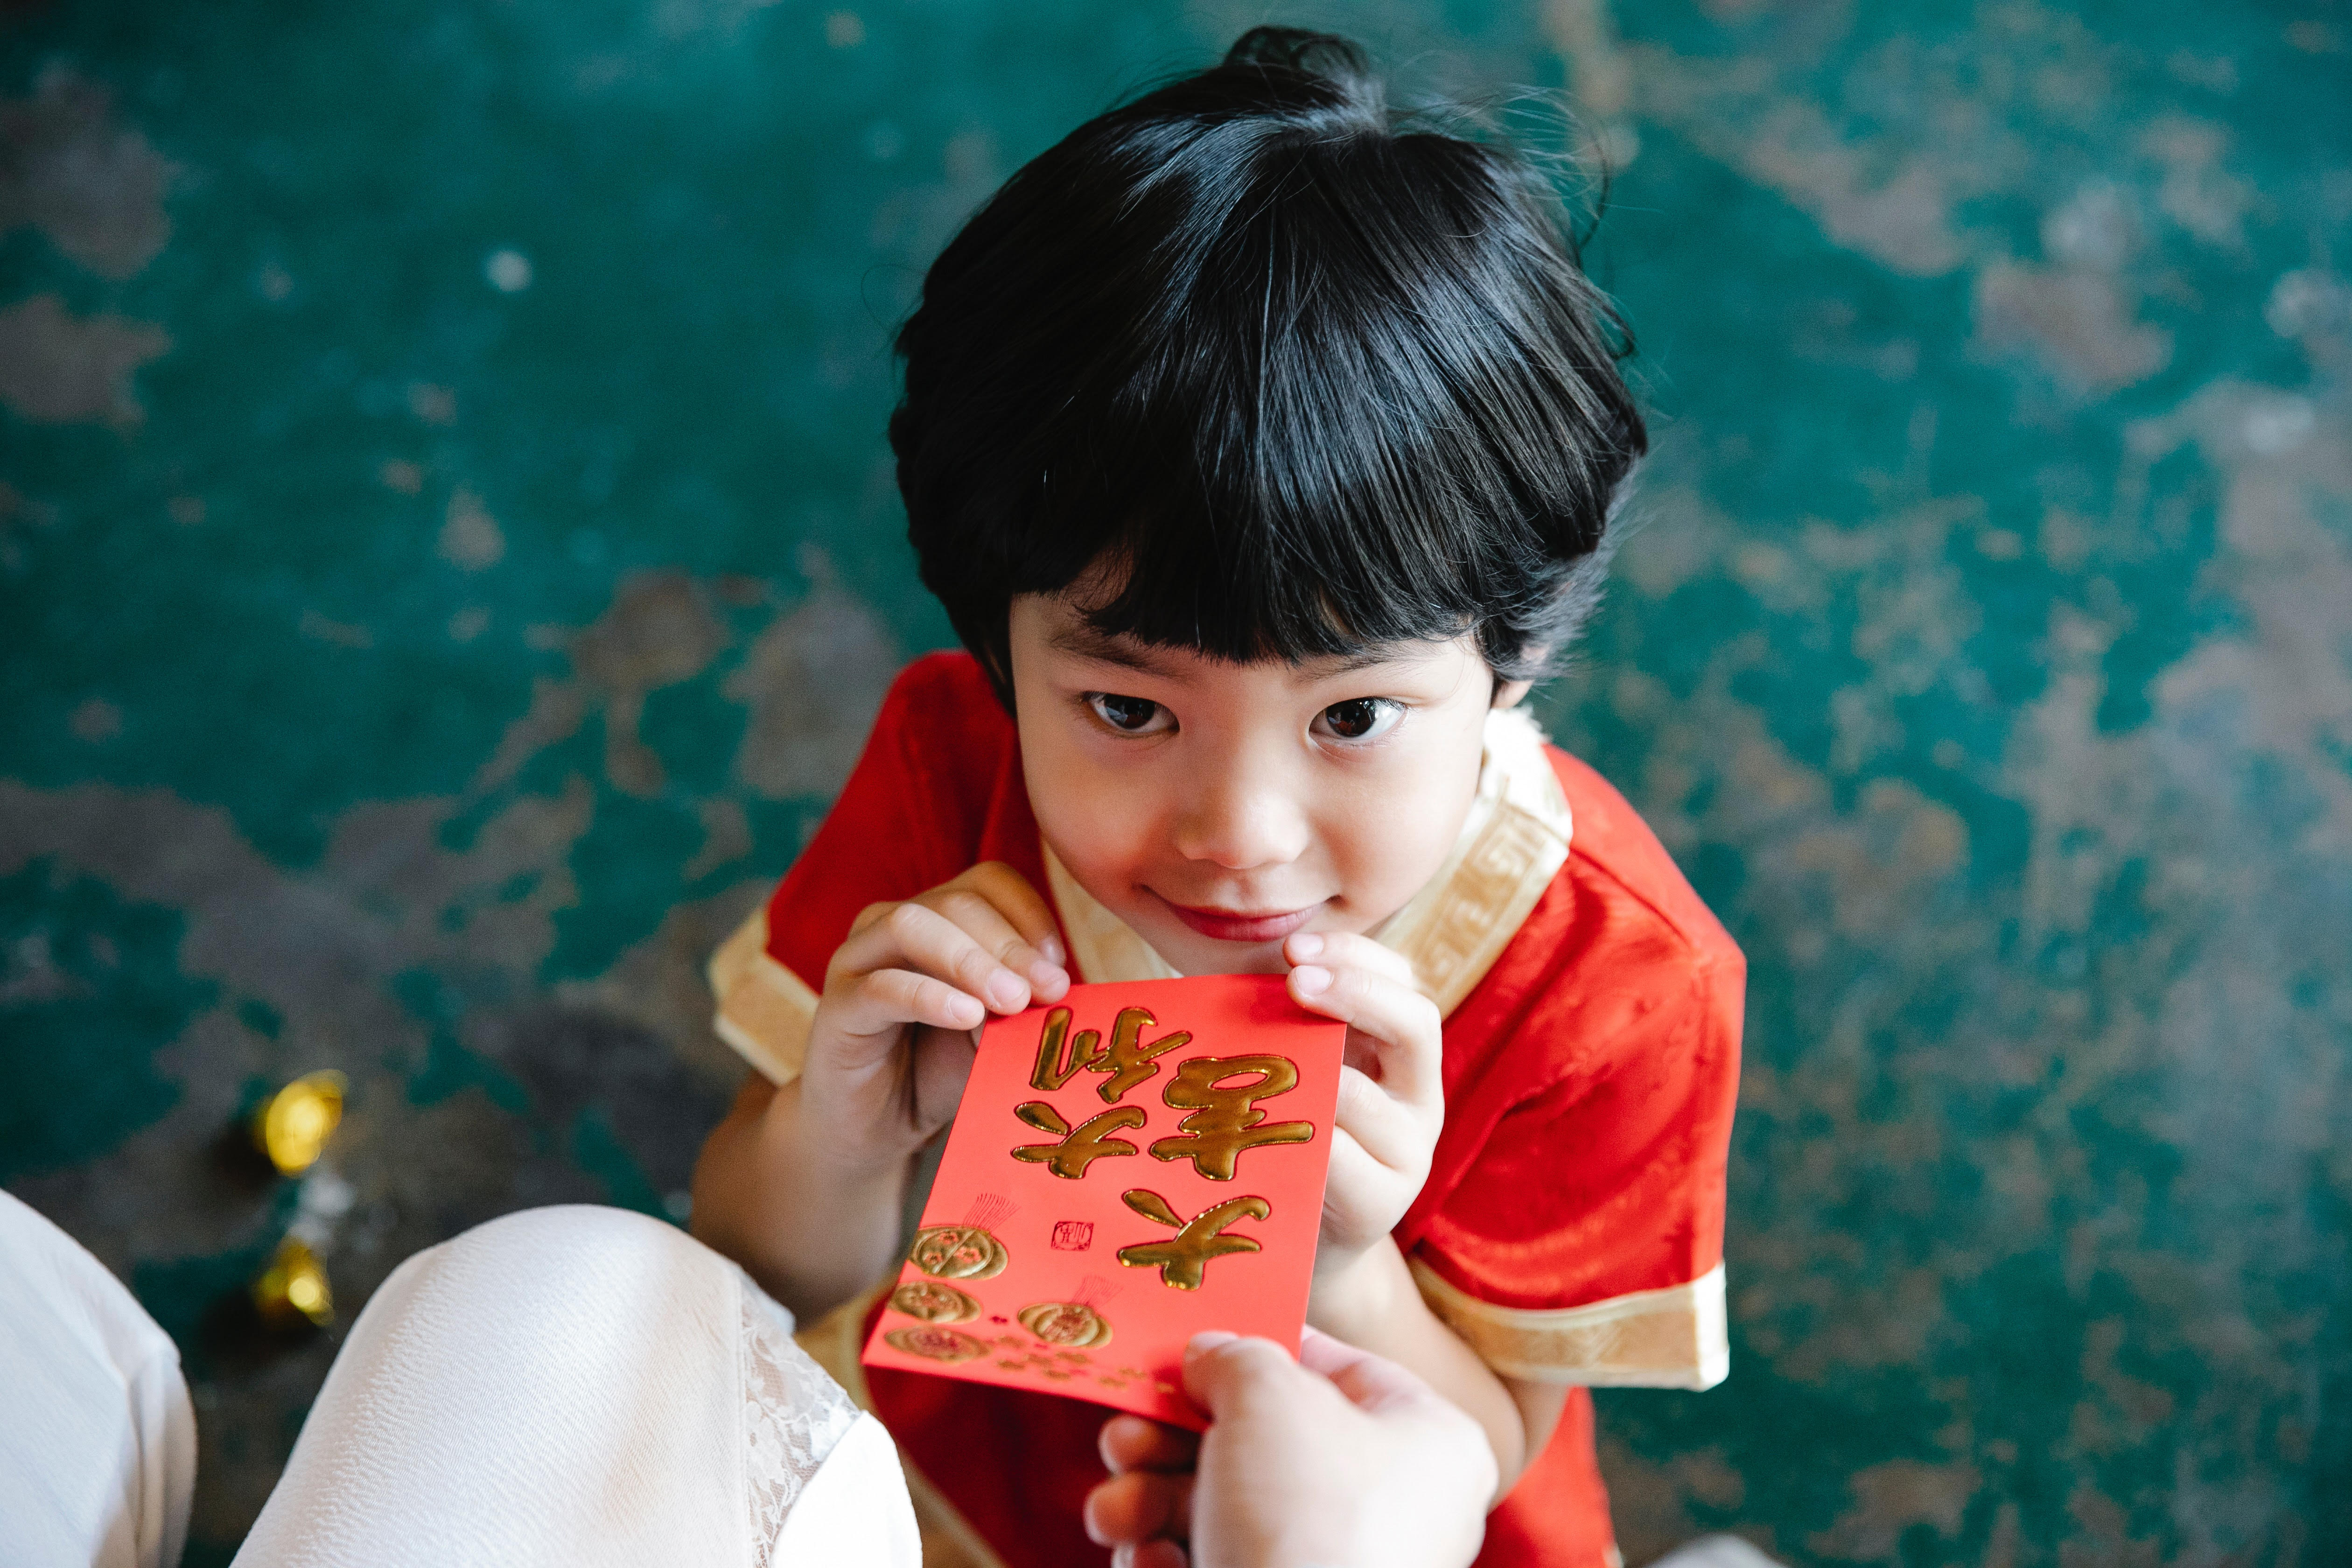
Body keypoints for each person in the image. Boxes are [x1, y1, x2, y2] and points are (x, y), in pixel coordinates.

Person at [690, 25, 1745, 1568]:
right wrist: (841, 1135)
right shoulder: (952, 770)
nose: (1238, 836)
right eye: (1128, 709)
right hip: (958, 1481)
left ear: (1514, 660)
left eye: (1355, 717)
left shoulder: (1615, 981)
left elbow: (1490, 1439)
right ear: (997, 648)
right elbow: (754, 1268)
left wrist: (1340, 1265)